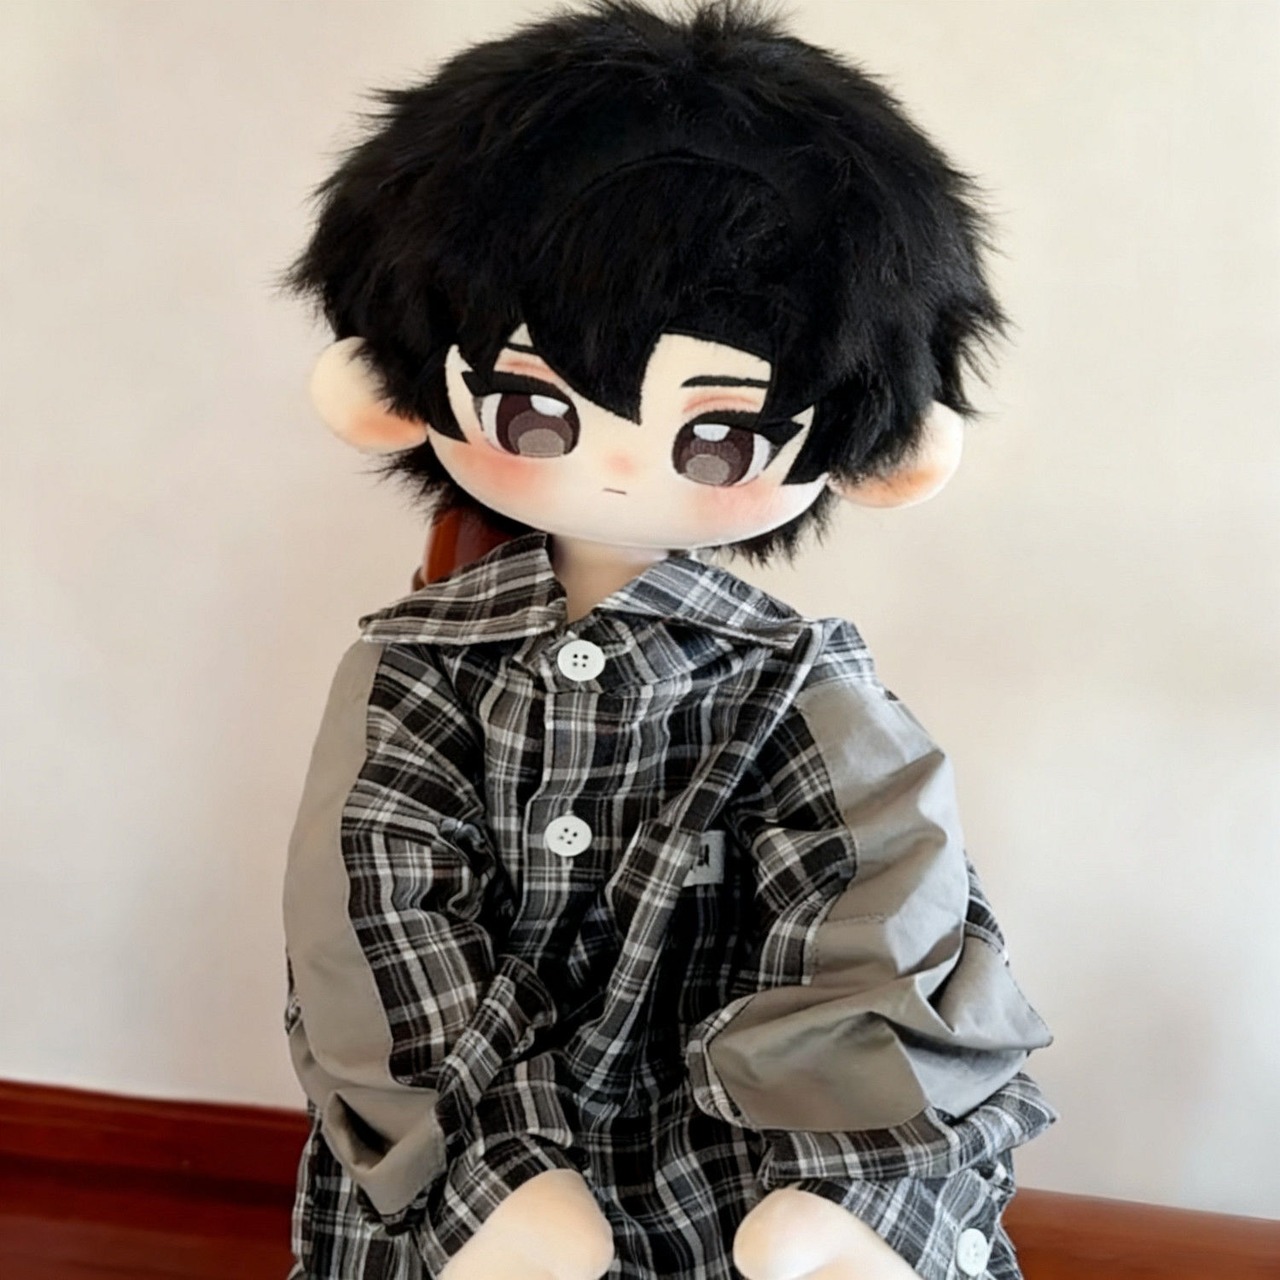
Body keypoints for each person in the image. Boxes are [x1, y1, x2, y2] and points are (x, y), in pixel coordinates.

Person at [282, 3, 1056, 1277]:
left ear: (875, 445)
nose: (619, 466)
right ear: (394, 389)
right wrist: (480, 1170)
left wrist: (840, 1166)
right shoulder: (414, 667)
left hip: (739, 1145)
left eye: (720, 435)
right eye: (532, 410)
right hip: (475, 1130)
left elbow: (881, 897)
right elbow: (371, 908)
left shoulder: (797, 682)